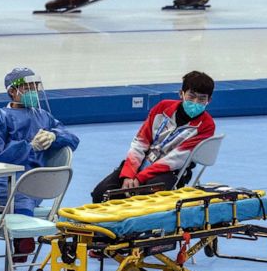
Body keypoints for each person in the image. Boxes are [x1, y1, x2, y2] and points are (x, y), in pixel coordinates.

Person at [0, 67, 79, 271]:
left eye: (35, 86)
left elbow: (72, 139)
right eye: (28, 87)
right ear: (12, 92)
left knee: (9, 206)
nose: (33, 90)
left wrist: (55, 136)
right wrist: (29, 147)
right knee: (1, 206)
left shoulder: (44, 116)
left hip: (30, 182)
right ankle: (21, 238)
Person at [90, 71, 216, 204]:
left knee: (143, 199)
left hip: (170, 172)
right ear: (181, 94)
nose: (195, 102)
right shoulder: (162, 108)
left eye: (202, 99)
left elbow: (176, 159)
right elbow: (140, 142)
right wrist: (129, 174)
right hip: (141, 163)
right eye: (191, 96)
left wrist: (139, 178)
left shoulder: (206, 126)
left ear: (209, 100)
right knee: (100, 194)